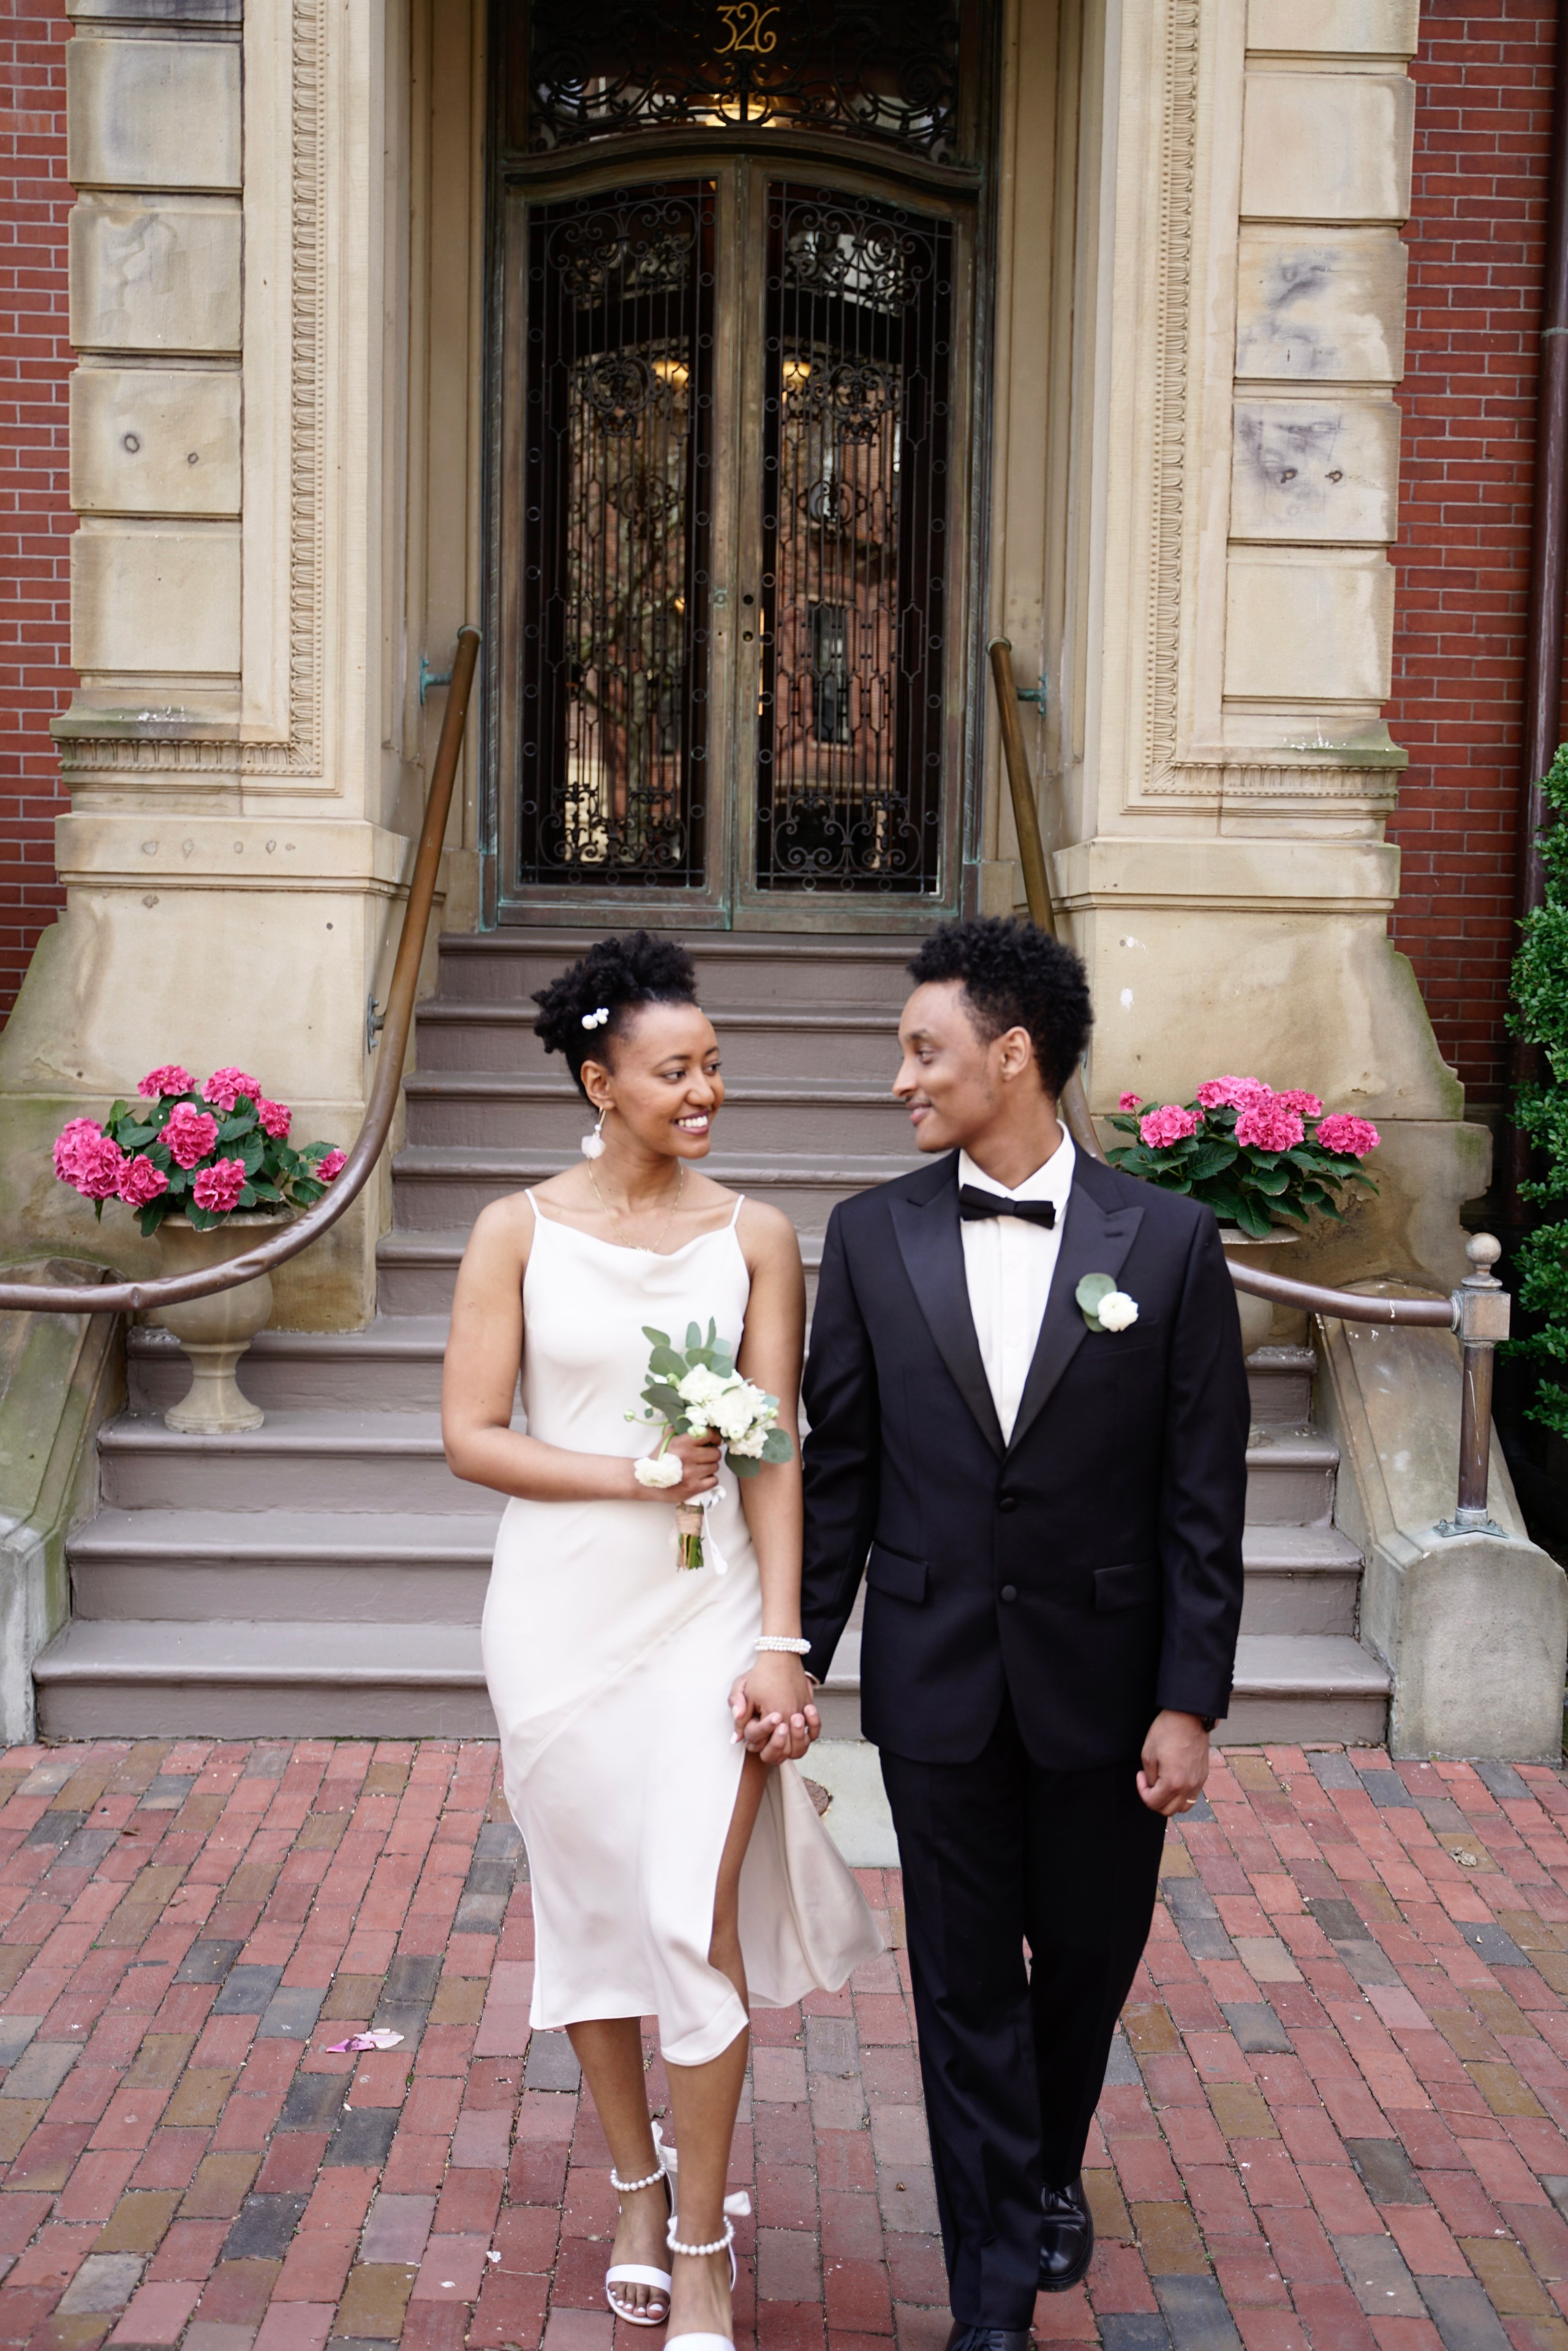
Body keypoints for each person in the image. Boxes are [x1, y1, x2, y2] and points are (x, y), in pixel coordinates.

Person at [800, 916, 1249, 2351]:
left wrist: (1188, 1699)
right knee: (959, 1989)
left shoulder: (1168, 1244)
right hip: (935, 1686)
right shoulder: (870, 1236)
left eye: (921, 1050)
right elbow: (842, 1474)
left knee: (1087, 1965)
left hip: (1108, 1693)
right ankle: (989, 2296)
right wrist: (791, 1656)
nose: (899, 1079)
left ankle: (1044, 2160)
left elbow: (1202, 1497)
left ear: (1012, 1054)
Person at [443, 932, 880, 2351]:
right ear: (597, 1078)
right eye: (674, 1069)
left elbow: (776, 1452)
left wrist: (782, 1639)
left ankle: (700, 2245)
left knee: (687, 1920)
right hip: (559, 1617)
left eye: (713, 1068)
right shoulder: (515, 1227)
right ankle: (636, 2184)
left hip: (704, 1613)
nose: (704, 1091)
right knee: (587, 1915)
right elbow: (470, 1437)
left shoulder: (754, 1233)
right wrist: (628, 1474)